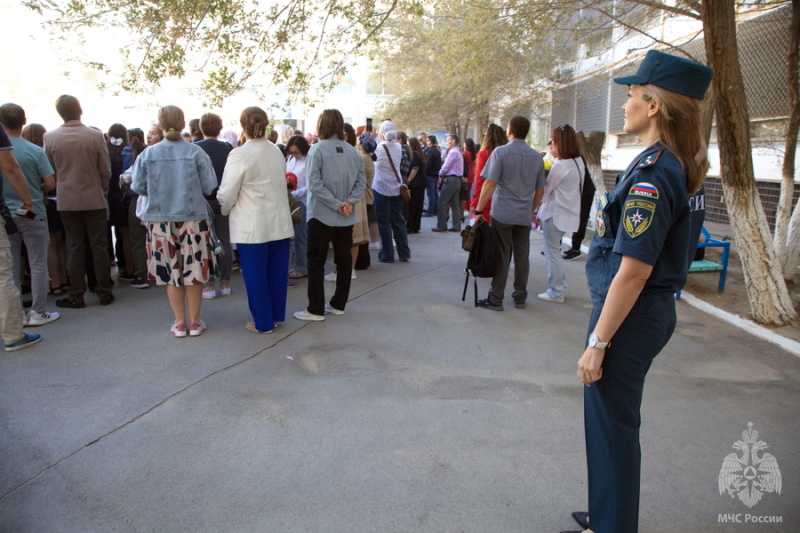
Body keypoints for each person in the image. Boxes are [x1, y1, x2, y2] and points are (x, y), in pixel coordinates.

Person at [564, 50, 713, 533]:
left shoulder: (654, 173)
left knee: (612, 426)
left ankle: (611, 525)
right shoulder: (676, 163)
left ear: (653, 105)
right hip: (642, 312)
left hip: (628, 314)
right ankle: (607, 512)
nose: (624, 104)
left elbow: (633, 270)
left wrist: (598, 343)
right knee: (610, 423)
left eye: (630, 95)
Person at [132, 105, 218, 337]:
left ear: (160, 125)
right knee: (194, 271)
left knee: (171, 272)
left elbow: (138, 187)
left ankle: (180, 323)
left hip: (160, 221)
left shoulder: (148, 154)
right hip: (193, 220)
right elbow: (210, 186)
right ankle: (195, 321)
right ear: (183, 125)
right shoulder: (196, 152)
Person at [217, 106, 293, 334]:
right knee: (276, 275)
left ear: (243, 126)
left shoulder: (239, 154)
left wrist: (225, 207)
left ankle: (263, 322)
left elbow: (227, 193)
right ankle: (275, 316)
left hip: (252, 225)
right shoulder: (275, 150)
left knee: (256, 276)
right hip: (279, 221)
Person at [293, 109, 366, 322]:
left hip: (322, 213)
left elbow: (314, 184)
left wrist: (338, 204)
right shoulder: (353, 151)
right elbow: (361, 183)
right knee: (343, 259)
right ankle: (338, 303)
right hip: (345, 214)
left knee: (316, 260)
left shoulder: (317, 150)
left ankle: (315, 308)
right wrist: (349, 202)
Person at [44, 95, 114, 308]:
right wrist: (97, 186)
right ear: (79, 110)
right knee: (99, 245)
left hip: (67, 199)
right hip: (93, 197)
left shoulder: (51, 138)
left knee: (74, 246)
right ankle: (103, 291)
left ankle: (77, 294)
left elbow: (49, 172)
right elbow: (106, 171)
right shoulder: (94, 136)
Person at [473, 116, 545, 311]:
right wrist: (531, 209)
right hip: (523, 214)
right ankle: (520, 297)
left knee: (503, 255)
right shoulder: (536, 157)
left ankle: (496, 298)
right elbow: (540, 191)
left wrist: (479, 209)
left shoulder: (501, 152)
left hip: (503, 213)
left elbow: (489, 182)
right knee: (523, 256)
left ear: (510, 131)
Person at [0, 103, 59, 326]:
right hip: (33, 211)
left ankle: (17, 312)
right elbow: (50, 182)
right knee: (37, 263)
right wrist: (35, 191)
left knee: (11, 264)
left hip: (6, 213)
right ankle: (38, 310)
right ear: (24, 121)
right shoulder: (34, 151)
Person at [0, 122, 42, 351]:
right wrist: (27, 201)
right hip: (19, 211)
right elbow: (9, 166)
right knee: (5, 273)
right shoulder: (33, 150)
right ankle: (13, 334)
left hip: (9, 213)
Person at [536, 124, 583, 304]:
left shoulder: (561, 165)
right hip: (568, 214)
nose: (551, 146)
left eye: (553, 142)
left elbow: (546, 191)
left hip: (555, 214)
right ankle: (560, 287)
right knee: (555, 252)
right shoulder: (578, 162)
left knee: (552, 253)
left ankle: (556, 291)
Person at [23, 123, 69, 295]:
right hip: (58, 201)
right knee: (60, 244)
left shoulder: (27, 155)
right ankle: (64, 280)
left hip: (43, 202)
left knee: (49, 246)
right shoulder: (46, 154)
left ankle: (55, 283)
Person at [194, 112, 234, 299]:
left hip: (202, 200)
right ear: (220, 128)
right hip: (223, 198)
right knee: (224, 239)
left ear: (201, 128)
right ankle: (225, 282)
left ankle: (209, 284)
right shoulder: (227, 148)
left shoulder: (194, 148)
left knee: (204, 242)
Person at [372, 127, 411, 263]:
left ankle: (387, 254)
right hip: (396, 186)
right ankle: (404, 252)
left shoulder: (378, 148)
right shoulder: (400, 147)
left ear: (382, 132)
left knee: (384, 223)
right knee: (398, 220)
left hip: (381, 187)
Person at [106, 123, 134, 278]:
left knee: (116, 234)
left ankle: (122, 265)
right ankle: (130, 268)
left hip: (112, 198)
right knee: (126, 235)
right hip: (124, 198)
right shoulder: (128, 151)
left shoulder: (106, 152)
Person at [469, 124, 508, 224]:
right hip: (505, 200)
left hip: (486, 199)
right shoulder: (507, 154)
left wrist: (476, 201)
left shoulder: (484, 153)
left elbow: (480, 179)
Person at [286, 135, 310, 280]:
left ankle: (302, 267)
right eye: (291, 152)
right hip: (290, 200)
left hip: (302, 201)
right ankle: (298, 265)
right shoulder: (290, 159)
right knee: (293, 236)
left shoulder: (307, 162)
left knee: (302, 236)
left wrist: (295, 193)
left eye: (296, 152)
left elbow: (310, 185)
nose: (294, 155)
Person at [432, 134, 464, 232]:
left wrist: (440, 173)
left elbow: (446, 166)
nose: (446, 143)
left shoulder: (453, 152)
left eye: (448, 140)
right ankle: (456, 225)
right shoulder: (457, 152)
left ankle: (442, 225)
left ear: (453, 141)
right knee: (455, 204)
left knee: (441, 202)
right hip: (456, 180)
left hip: (450, 179)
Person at [405, 138, 426, 233]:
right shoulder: (420, 154)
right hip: (420, 183)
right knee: (417, 206)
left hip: (414, 184)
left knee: (411, 206)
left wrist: (408, 180)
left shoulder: (414, 154)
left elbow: (415, 168)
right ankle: (415, 226)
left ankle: (410, 226)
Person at [423, 135, 441, 216]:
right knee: (434, 192)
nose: (426, 142)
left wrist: (424, 172)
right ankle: (436, 209)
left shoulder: (430, 151)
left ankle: (430, 210)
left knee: (431, 193)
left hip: (430, 174)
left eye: (427, 140)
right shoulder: (436, 150)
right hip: (435, 174)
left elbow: (428, 164)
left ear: (430, 141)